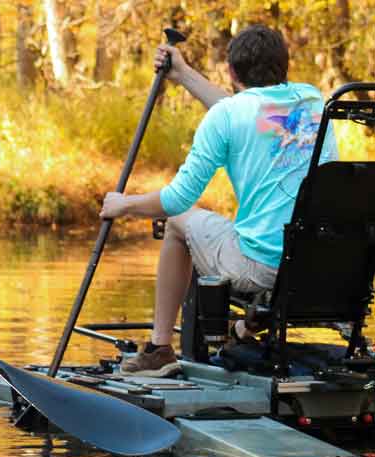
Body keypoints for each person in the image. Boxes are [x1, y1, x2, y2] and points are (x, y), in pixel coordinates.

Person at [99, 25, 338, 377]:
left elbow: (177, 199)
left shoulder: (225, 118)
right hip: (318, 267)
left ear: (231, 72)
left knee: (180, 221)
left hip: (263, 268)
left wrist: (124, 205)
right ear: (284, 66)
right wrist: (182, 74)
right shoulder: (315, 102)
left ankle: (159, 347)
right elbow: (242, 110)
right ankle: (245, 329)